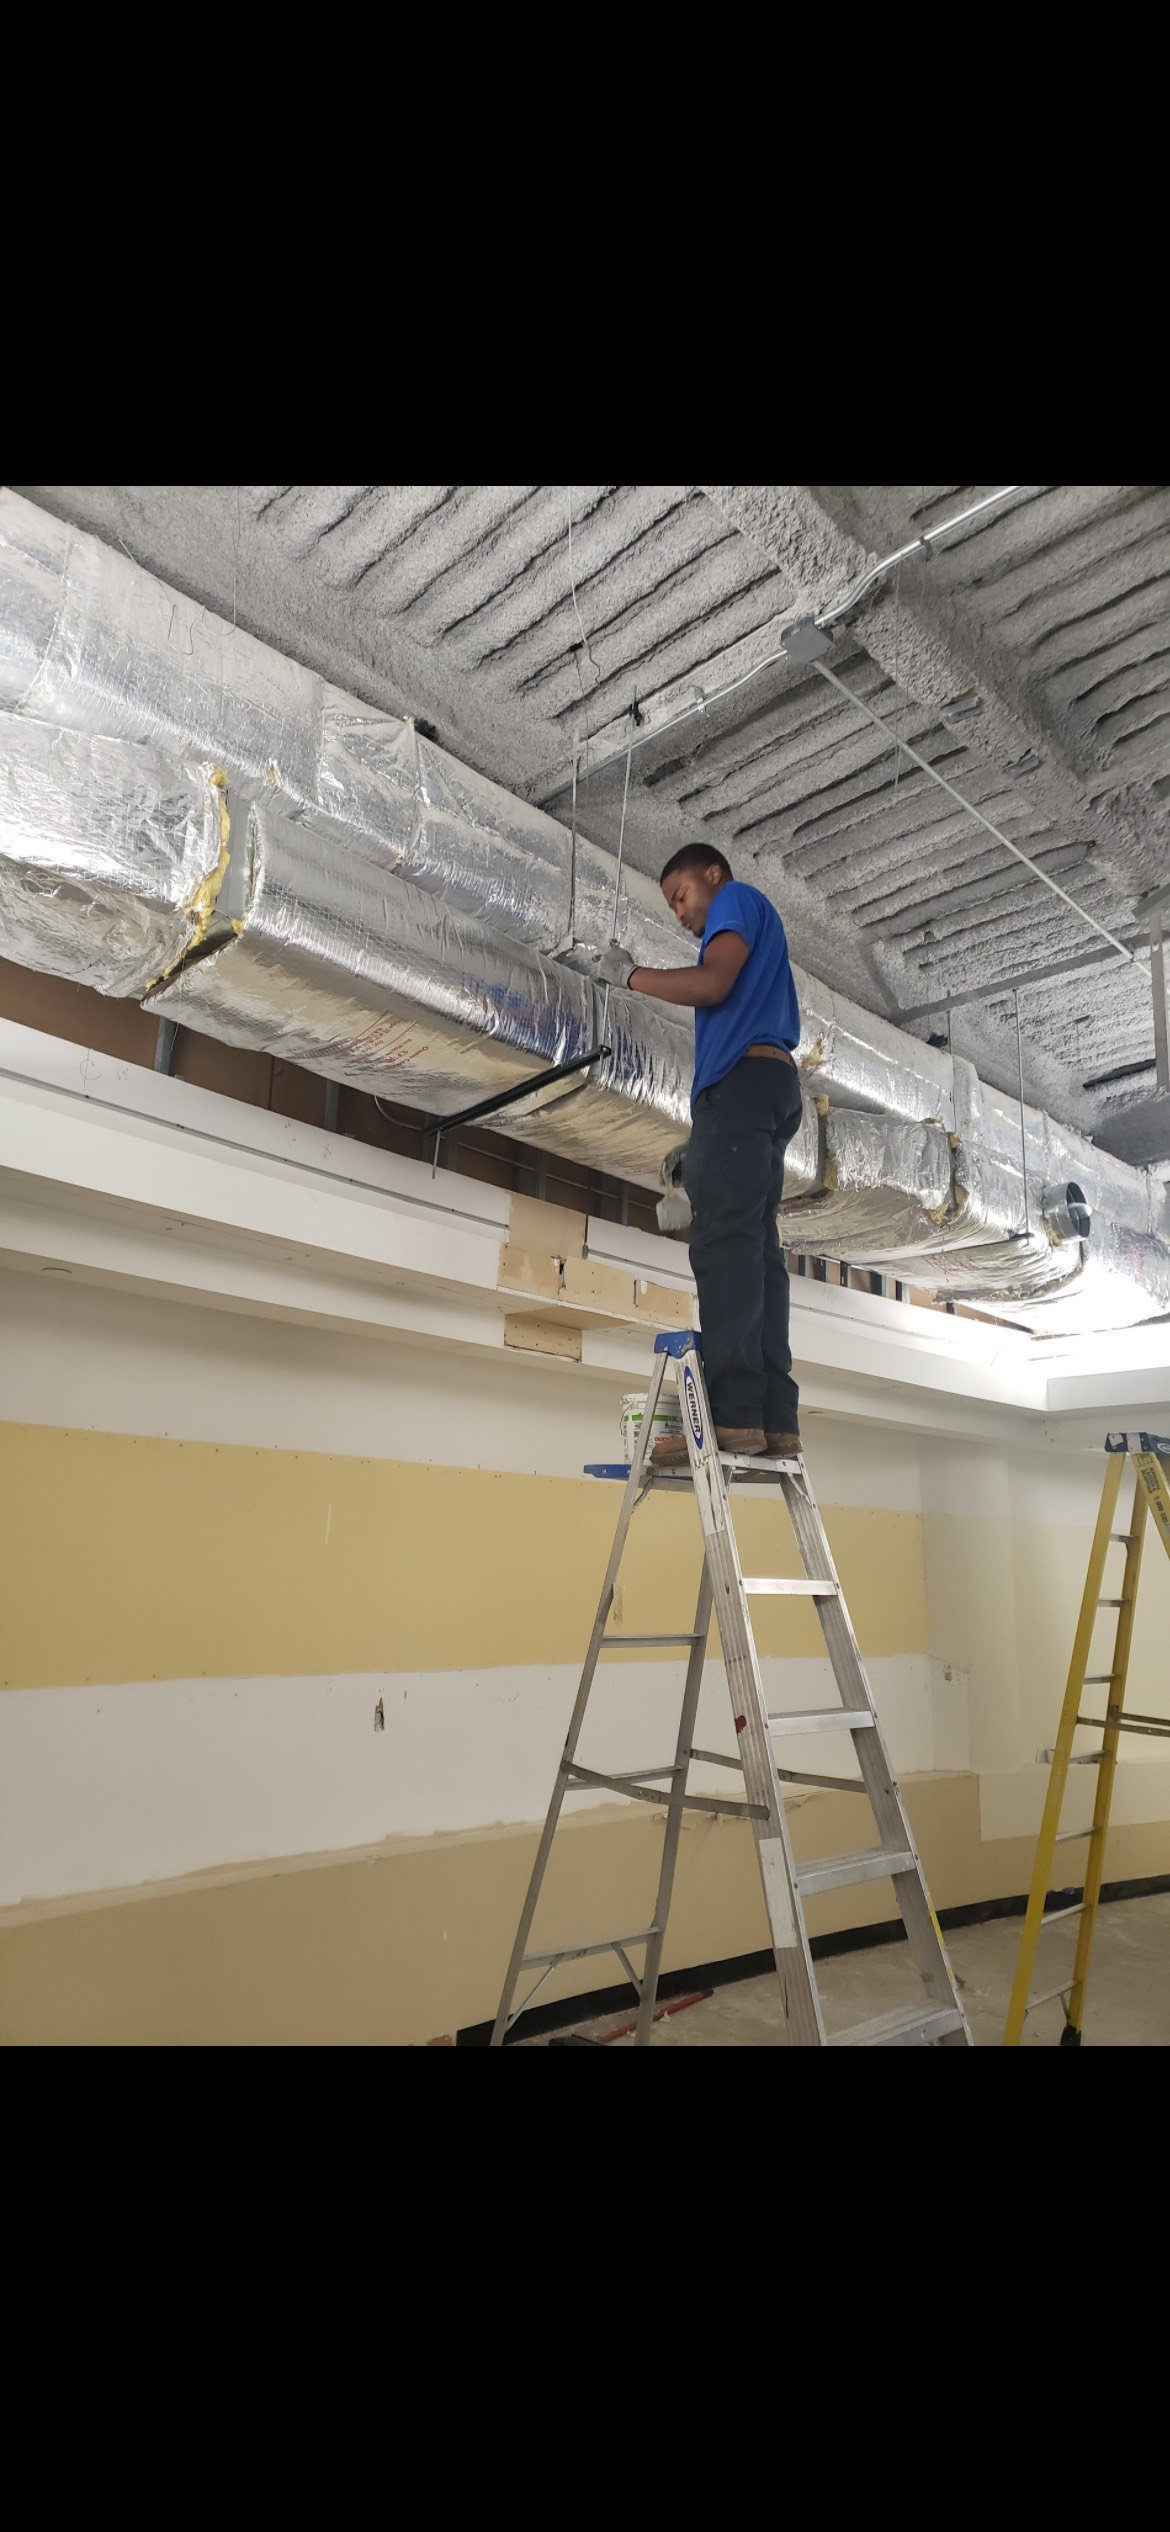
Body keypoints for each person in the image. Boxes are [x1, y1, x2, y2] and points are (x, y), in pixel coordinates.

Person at [598, 845, 803, 1464]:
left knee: (723, 1247)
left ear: (712, 876)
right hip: (768, 1090)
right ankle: (774, 1420)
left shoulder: (738, 901)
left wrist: (629, 976)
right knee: (758, 1250)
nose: (681, 914)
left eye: (681, 897)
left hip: (739, 1088)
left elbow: (712, 984)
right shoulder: (752, 931)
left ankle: (735, 1414)